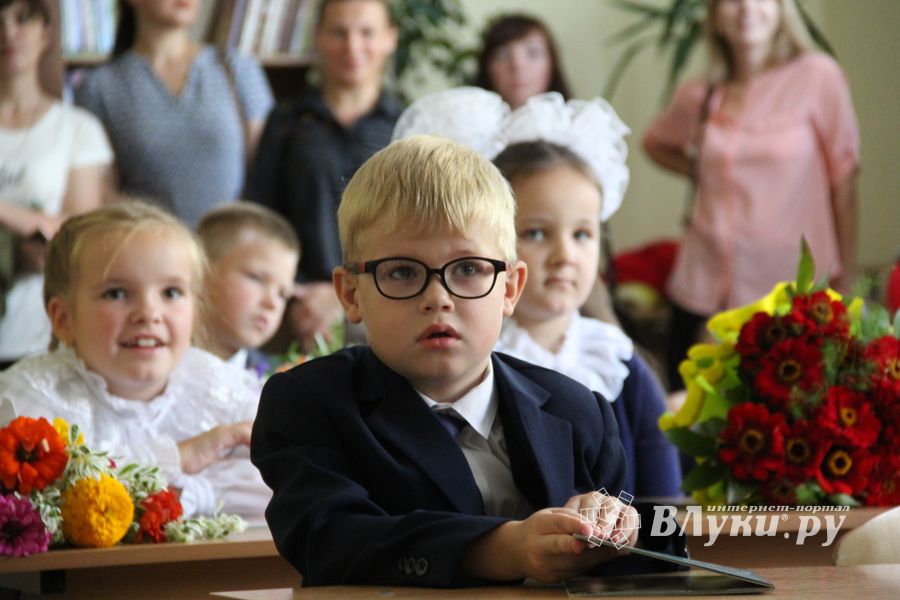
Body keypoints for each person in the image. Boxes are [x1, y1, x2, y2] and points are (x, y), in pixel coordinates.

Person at [252, 135, 691, 587]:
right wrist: (505, 548)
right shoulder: (311, 404)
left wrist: (621, 527)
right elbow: (332, 539)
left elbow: (640, 565)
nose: (437, 299)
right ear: (350, 293)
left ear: (510, 288)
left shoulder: (577, 410)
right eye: (402, 272)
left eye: (467, 269)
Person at [393, 88, 681, 498]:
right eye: (537, 233)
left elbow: (663, 501)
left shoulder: (619, 365)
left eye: (582, 233)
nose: (565, 255)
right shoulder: (463, 365)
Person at [0, 202, 270, 518]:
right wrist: (180, 457)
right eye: (116, 293)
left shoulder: (224, 390)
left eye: (170, 293)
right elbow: (50, 500)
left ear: (195, 311)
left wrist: (193, 494)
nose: (148, 314)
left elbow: (281, 484)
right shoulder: (30, 403)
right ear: (63, 319)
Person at [643, 0, 860, 390]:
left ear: (781, 8)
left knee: (783, 432)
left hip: (791, 292)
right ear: (714, 15)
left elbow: (844, 178)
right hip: (702, 291)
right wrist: (701, 170)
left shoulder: (817, 76)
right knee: (690, 426)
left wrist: (845, 271)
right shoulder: (701, 94)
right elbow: (656, 142)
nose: (745, 7)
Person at [245, 0, 401, 351]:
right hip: (300, 309)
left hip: (389, 304)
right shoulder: (286, 122)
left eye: (367, 33)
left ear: (390, 39)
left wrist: (351, 294)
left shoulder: (408, 126)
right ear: (317, 37)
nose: (353, 46)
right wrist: (297, 292)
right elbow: (264, 219)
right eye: (338, 32)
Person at [75, 0, 274, 227]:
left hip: (232, 248)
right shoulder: (99, 87)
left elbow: (265, 177)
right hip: (150, 246)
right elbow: (100, 191)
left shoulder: (240, 70)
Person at [0, 0, 112, 368]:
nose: (8, 32)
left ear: (46, 33)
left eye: (22, 18)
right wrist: (30, 226)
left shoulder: (77, 128)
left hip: (39, 330)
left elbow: (78, 238)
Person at [196, 202, 300, 376]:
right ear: (202, 270)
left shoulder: (275, 380)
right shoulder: (156, 362)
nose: (272, 303)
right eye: (256, 278)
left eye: (283, 294)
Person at [474, 13, 570, 109]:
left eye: (532, 52)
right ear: (486, 66)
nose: (517, 65)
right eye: (502, 55)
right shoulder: (465, 118)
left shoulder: (580, 119)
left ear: (552, 63)